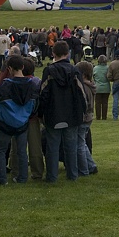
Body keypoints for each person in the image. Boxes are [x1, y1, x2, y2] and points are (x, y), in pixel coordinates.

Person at [0, 54, 40, 185]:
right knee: (22, 152)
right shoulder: (32, 85)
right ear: (22, 66)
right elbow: (36, 104)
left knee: (0, 150)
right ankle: (22, 178)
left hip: (6, 123)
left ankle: (2, 179)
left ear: (9, 69)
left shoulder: (7, 86)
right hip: (22, 122)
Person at [39, 42, 86, 183]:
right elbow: (81, 94)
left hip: (54, 114)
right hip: (71, 114)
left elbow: (43, 95)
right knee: (70, 146)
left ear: (53, 54)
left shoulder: (52, 71)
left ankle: (52, 176)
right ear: (68, 53)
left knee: (52, 147)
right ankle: (72, 174)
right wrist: (83, 111)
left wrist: (41, 112)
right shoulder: (73, 70)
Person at [75, 60, 98, 176]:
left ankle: (84, 170)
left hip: (84, 118)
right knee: (82, 143)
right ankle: (91, 165)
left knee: (79, 145)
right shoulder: (90, 86)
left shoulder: (84, 88)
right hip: (88, 118)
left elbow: (85, 104)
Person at [93, 55, 110, 121]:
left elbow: (93, 77)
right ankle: (104, 117)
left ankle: (98, 117)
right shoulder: (108, 68)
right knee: (105, 102)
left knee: (97, 103)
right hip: (106, 88)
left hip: (97, 87)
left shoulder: (95, 68)